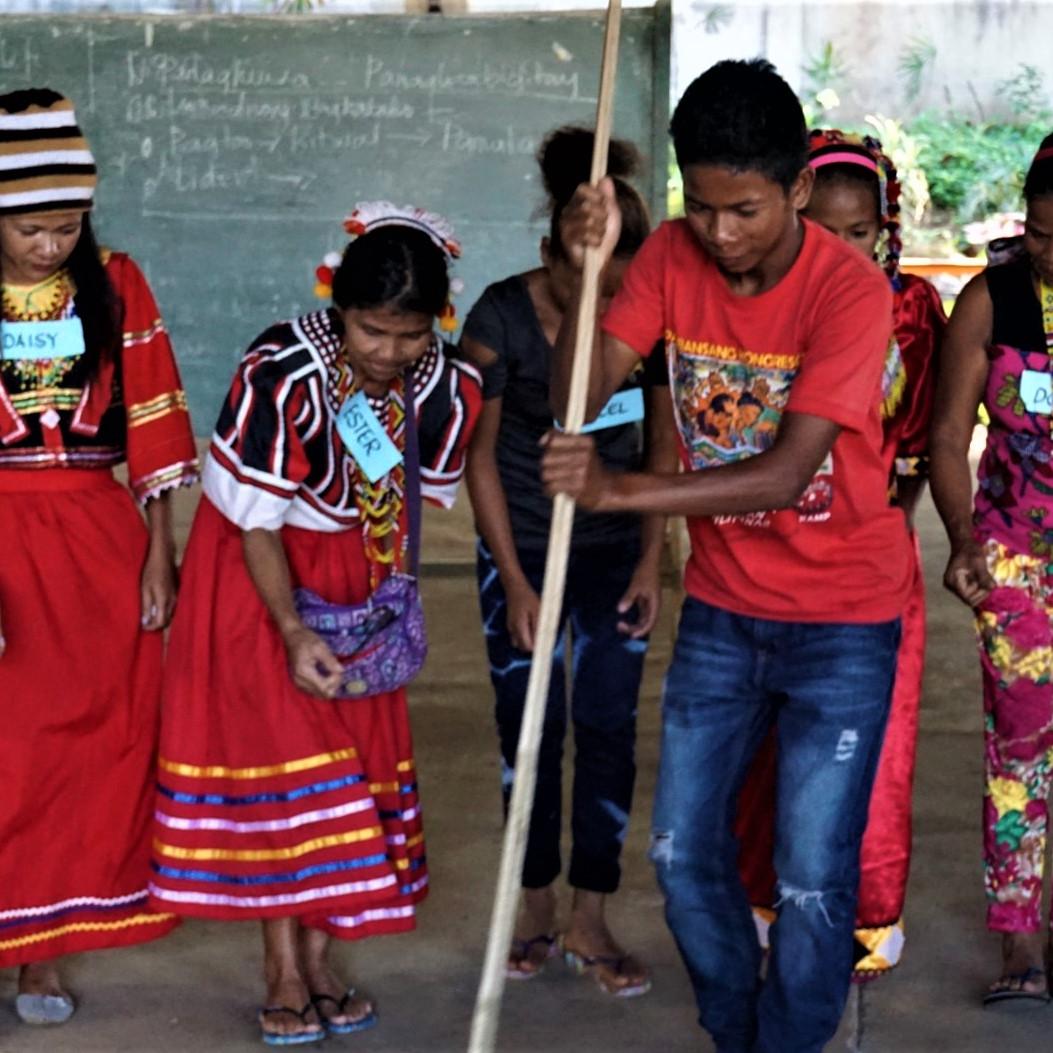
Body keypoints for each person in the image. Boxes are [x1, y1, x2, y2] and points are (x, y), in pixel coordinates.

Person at [541, 59, 911, 1053]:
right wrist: (591, 272)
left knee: (808, 874)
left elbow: (787, 473)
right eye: (700, 208)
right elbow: (581, 395)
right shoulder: (666, 255)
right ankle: (739, 1031)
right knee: (678, 850)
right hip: (723, 611)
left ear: (794, 188)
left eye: (743, 209)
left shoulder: (851, 292)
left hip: (842, 623)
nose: (720, 234)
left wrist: (620, 490)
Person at [150, 202, 482, 1045]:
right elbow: (256, 521)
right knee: (288, 770)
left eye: (410, 335)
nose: (390, 354)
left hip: (356, 578)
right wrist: (294, 628)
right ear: (339, 307)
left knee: (358, 764)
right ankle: (284, 968)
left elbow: (409, 498)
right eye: (372, 332)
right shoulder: (282, 369)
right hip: (260, 579)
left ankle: (324, 955)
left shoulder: (445, 384)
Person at [461, 127, 676, 996]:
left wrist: (651, 562)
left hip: (613, 547)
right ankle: (536, 903)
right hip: (522, 549)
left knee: (607, 727)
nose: (615, 284)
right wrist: (510, 579)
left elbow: (662, 441)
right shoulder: (499, 315)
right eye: (595, 265)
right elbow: (478, 457)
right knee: (527, 731)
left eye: (627, 265)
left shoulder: (645, 316)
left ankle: (590, 913)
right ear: (552, 248)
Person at [0, 88, 198, 1025]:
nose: (51, 245)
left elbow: (154, 422)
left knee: (97, 743)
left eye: (65, 224)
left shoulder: (117, 279)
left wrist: (160, 556)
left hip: (98, 535)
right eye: (31, 228)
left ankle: (46, 950)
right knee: (12, 747)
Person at [735, 129, 946, 982]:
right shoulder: (752, 303)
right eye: (820, 227)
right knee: (768, 738)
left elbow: (926, 443)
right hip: (770, 552)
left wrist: (879, 526)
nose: (838, 247)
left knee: (871, 739)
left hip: (869, 557)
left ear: (884, 228)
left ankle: (859, 917)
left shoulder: (911, 312)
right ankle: (763, 904)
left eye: (857, 231)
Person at [930, 133, 1053, 1006]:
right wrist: (963, 537)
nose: (1050, 254)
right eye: (1040, 233)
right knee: (1019, 748)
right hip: (1015, 556)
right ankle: (1019, 943)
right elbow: (945, 434)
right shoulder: (991, 298)